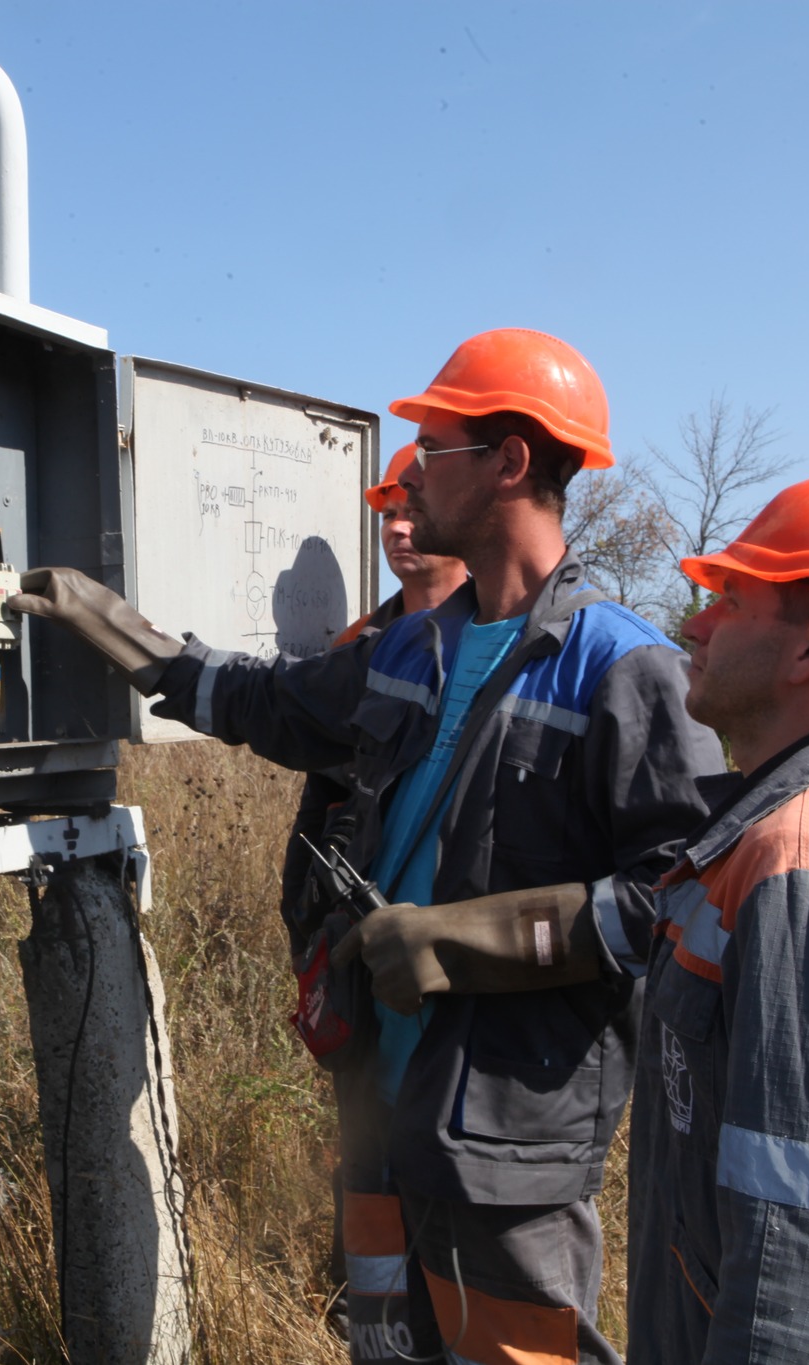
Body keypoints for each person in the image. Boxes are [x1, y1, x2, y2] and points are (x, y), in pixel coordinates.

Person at [12, 329, 724, 1365]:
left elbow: (680, 896)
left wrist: (468, 938)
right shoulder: (408, 647)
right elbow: (263, 703)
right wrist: (113, 625)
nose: (409, 479)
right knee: (386, 1344)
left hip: (502, 1135)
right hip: (381, 1102)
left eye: (433, 447)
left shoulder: (621, 671)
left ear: (510, 462)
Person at [342, 471, 809, 1361]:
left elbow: (799, 1259)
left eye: (731, 600)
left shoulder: (807, 871)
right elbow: (638, 917)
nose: (694, 624)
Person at [281, 446, 468, 1339]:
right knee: (364, 1158)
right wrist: (311, 933)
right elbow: (320, 812)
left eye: (409, 509)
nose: (395, 526)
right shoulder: (363, 645)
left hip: (461, 988)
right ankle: (367, 1319)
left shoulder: (498, 648)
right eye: (384, 511)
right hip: (357, 961)